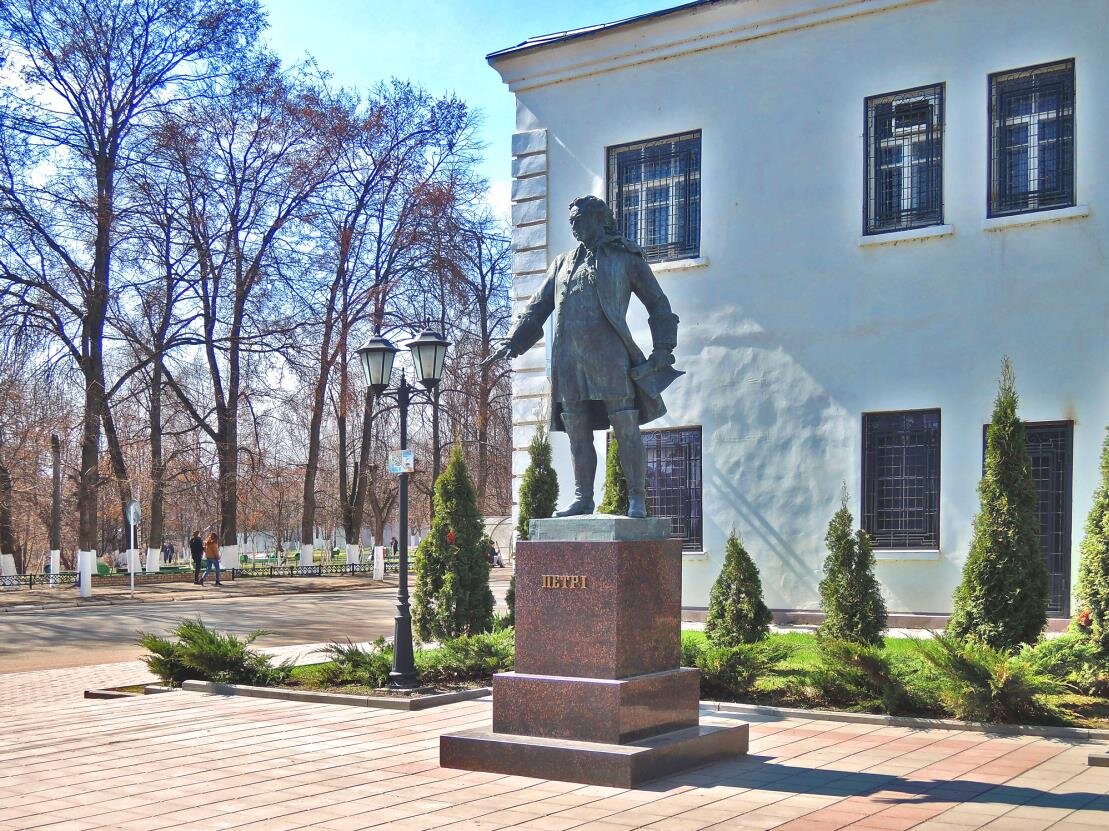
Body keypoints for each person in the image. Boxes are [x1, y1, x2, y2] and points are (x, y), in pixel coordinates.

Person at [484, 195, 680, 518]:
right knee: (577, 432)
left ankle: (636, 498)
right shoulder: (561, 264)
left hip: (611, 357)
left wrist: (663, 349)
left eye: (579, 218)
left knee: (626, 426)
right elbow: (536, 307)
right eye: (571, 219)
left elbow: (657, 302)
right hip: (570, 361)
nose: (573, 223)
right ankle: (583, 497)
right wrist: (514, 342)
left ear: (598, 219)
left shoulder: (624, 257)